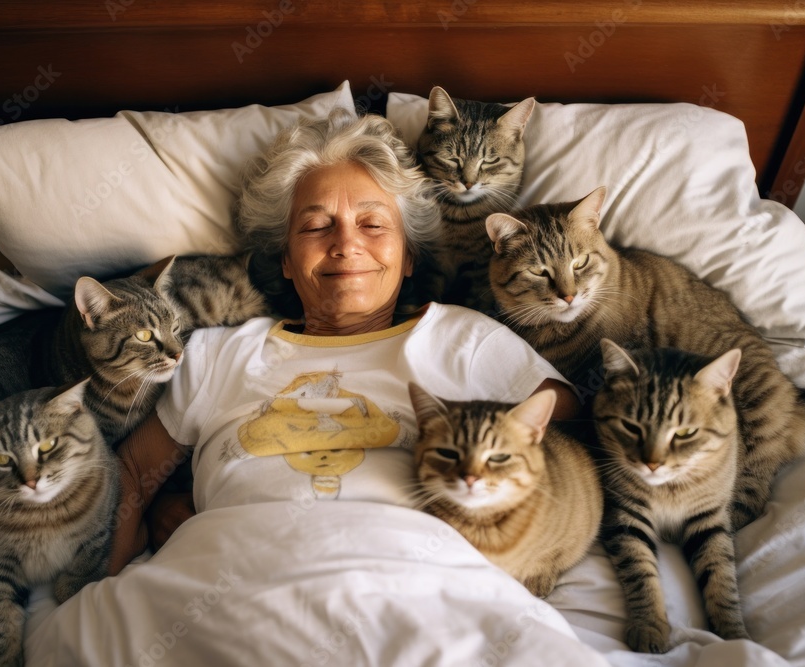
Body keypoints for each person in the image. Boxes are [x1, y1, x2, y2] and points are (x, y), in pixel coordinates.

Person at [107, 108, 581, 573]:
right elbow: (129, 473)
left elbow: (569, 433)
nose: (346, 244)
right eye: (316, 226)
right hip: (237, 587)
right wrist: (149, 518)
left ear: (409, 255)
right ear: (286, 259)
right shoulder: (220, 353)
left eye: (373, 224)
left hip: (417, 584)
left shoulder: (462, 337)